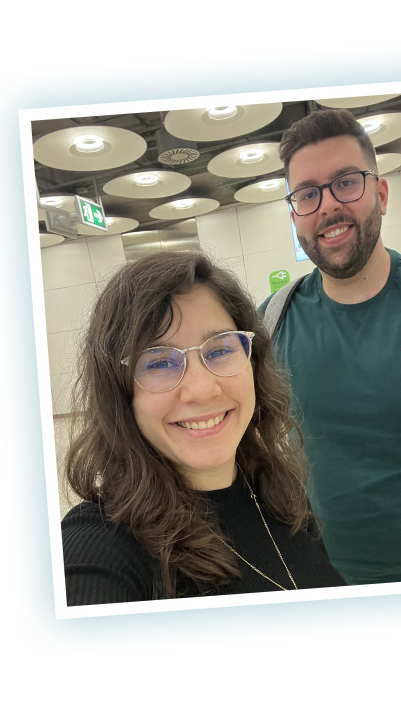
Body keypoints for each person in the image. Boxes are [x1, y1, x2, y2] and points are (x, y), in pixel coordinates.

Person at [258, 108, 401, 585]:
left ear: (380, 194)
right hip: (317, 588)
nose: (328, 207)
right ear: (295, 215)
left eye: (346, 182)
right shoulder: (270, 323)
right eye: (307, 194)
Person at [60, 251, 344, 605]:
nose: (202, 389)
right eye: (160, 361)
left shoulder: (279, 493)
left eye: (220, 349)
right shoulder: (101, 545)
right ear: (119, 392)